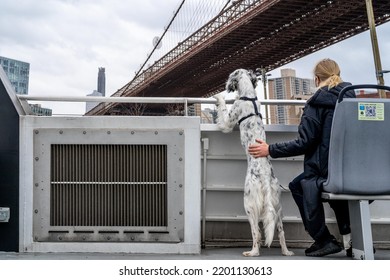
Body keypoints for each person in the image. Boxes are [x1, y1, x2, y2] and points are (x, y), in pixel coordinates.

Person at [248, 58, 355, 257]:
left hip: (325, 172)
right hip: (355, 170)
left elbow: (304, 142)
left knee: (299, 186)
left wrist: (270, 149)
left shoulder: (316, 103)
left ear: (316, 79)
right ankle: (351, 241)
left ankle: (323, 239)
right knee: (339, 194)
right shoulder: (353, 100)